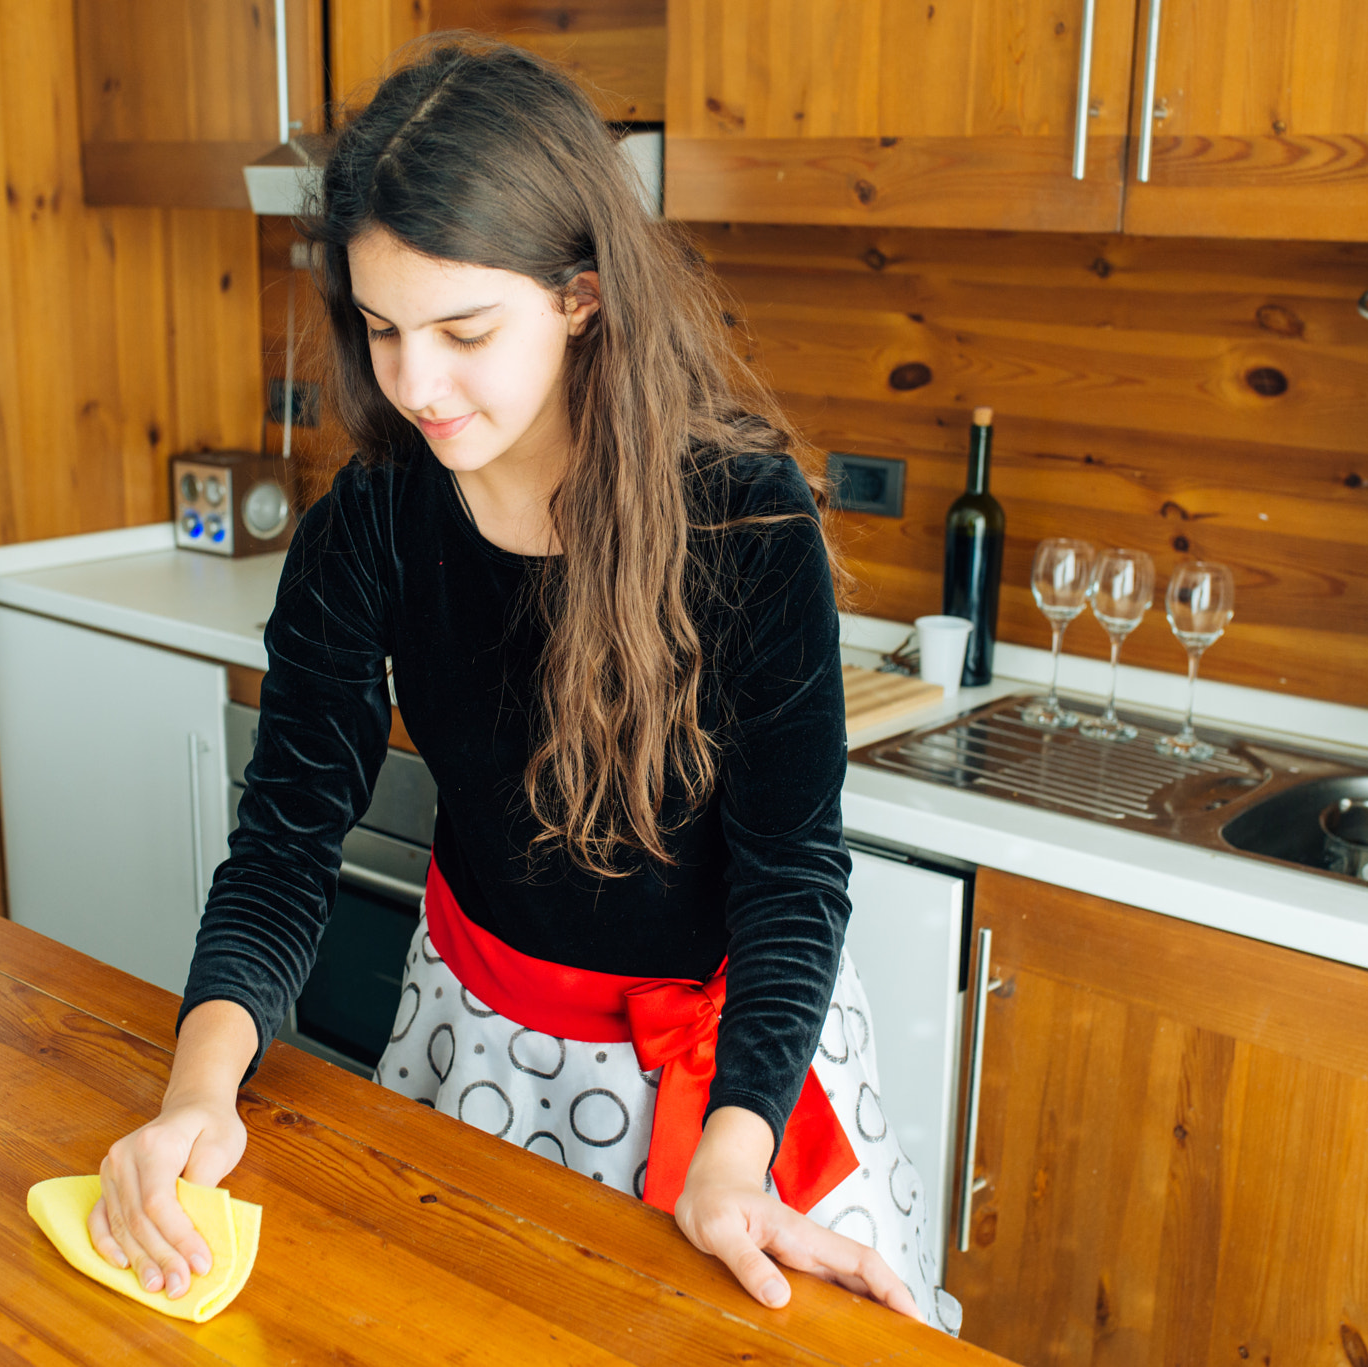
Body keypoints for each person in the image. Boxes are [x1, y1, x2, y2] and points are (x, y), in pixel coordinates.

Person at [84, 34, 962, 1335]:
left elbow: (792, 876)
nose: (415, 384)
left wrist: (731, 1158)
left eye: (463, 330)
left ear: (582, 294)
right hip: (478, 1034)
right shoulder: (373, 523)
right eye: (381, 329)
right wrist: (195, 1098)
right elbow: (283, 848)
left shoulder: (740, 523)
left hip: (737, 1075)